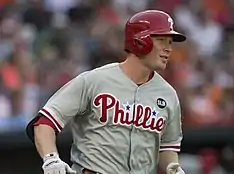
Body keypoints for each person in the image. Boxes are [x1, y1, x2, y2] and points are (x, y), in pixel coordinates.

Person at [26, 10, 186, 174]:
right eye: (161, 40)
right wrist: (51, 159)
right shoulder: (95, 80)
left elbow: (167, 146)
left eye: (170, 42)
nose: (169, 49)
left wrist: (173, 168)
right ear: (140, 41)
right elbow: (45, 122)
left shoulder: (168, 94)